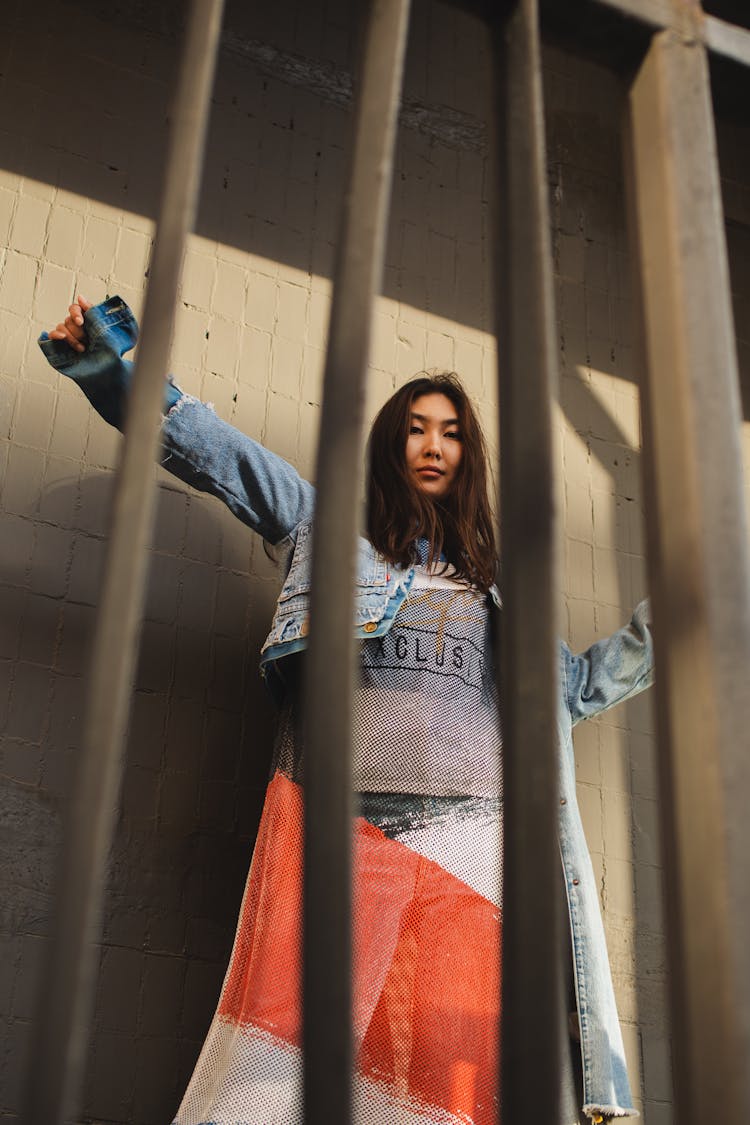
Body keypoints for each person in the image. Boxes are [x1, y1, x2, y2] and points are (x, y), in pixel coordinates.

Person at [42, 296, 654, 1125]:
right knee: (273, 1070)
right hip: (347, 825)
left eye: (449, 431)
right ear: (390, 445)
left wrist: (680, 615)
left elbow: (574, 689)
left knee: (440, 1089)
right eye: (415, 427)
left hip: (476, 841)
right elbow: (216, 454)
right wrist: (112, 363)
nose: (432, 443)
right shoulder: (322, 525)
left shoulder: (507, 597)